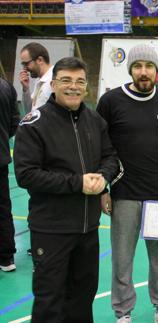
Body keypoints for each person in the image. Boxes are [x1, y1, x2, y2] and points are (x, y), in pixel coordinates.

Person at [13, 57, 118, 323]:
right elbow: (27, 175)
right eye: (66, 81)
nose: (73, 87)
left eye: (79, 81)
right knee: (50, 299)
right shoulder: (34, 123)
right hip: (51, 229)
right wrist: (78, 183)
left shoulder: (94, 120)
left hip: (87, 229)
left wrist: (103, 178)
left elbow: (110, 157)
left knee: (83, 296)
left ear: (86, 87)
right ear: (53, 83)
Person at [97, 44, 158, 323]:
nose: (143, 72)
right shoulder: (110, 101)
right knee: (122, 260)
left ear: (157, 70)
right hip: (124, 193)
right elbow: (100, 148)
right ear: (130, 69)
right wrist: (104, 188)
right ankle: (123, 312)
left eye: (148, 66)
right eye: (137, 66)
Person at [0, 77, 19, 272]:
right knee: (3, 208)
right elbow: (15, 123)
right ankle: (6, 257)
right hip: (2, 156)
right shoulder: (6, 86)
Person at [19, 42, 54, 113]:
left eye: (26, 64)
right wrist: (26, 89)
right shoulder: (39, 80)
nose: (25, 69)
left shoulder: (54, 80)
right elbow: (29, 112)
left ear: (40, 60)